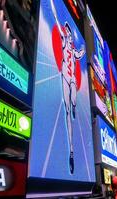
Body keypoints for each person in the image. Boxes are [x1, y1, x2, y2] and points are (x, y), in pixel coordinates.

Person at [50, 0, 85, 174]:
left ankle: (74, 106)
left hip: (72, 80)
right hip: (65, 77)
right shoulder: (64, 41)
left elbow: (81, 53)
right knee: (66, 110)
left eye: (69, 32)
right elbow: (56, 18)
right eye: (67, 32)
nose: (67, 33)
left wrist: (85, 50)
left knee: (72, 103)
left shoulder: (74, 49)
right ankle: (71, 152)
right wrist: (52, 4)